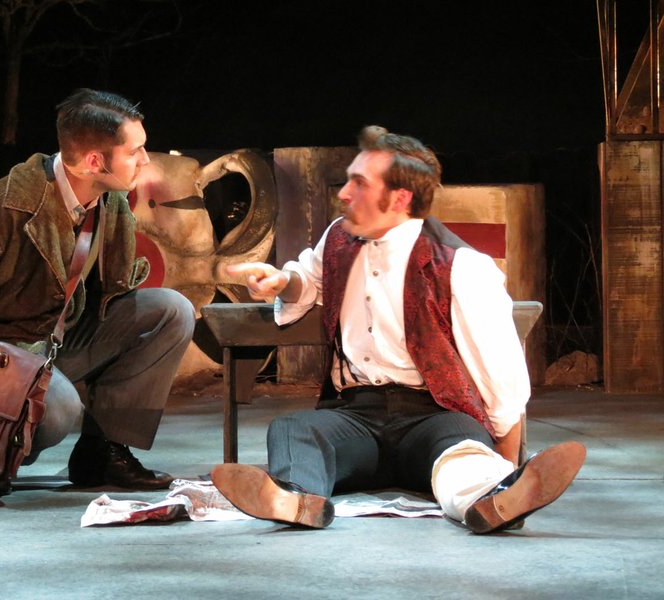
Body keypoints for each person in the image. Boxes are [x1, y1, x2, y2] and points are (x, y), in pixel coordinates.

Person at [211, 125, 585, 533]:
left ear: (400, 198)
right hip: (354, 416)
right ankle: (295, 498)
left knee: (462, 455)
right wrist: (283, 282)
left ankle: (493, 497)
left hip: (434, 416)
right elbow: (310, 279)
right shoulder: (338, 238)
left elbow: (502, 377)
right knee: (295, 430)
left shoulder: (459, 265)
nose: (343, 193)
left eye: (359, 183)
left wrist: (506, 460)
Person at [0, 89, 195, 498]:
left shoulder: (109, 201)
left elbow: (109, 292)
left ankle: (104, 453)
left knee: (171, 310)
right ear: (95, 162)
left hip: (59, 342)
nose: (145, 160)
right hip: (2, 360)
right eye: (135, 151)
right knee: (60, 408)